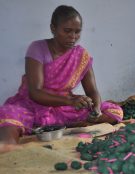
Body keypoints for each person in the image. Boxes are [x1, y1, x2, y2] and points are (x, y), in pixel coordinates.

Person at [0, 5, 123, 151]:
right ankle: (8, 150)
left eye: (77, 32)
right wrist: (71, 101)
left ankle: (73, 123)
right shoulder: (38, 48)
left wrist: (96, 110)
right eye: (67, 31)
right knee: (9, 114)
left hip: (65, 106)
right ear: (53, 28)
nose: (73, 36)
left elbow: (92, 91)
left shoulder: (81, 55)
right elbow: (35, 92)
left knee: (114, 111)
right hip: (33, 104)